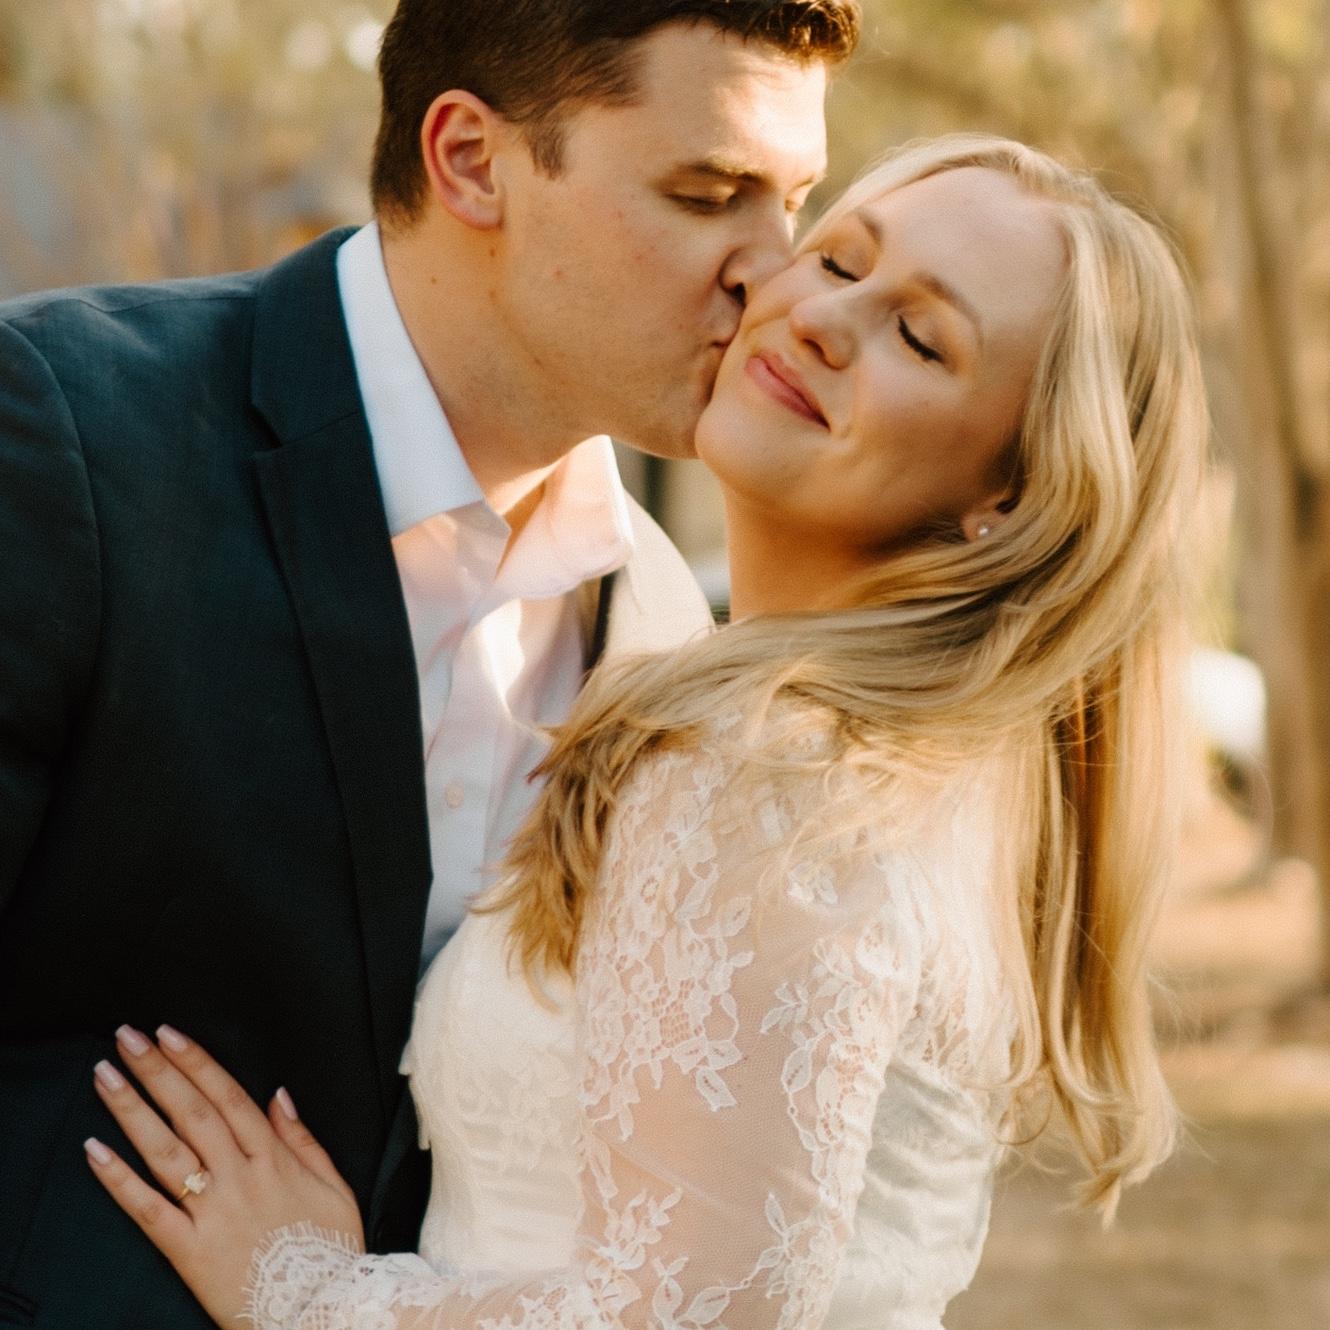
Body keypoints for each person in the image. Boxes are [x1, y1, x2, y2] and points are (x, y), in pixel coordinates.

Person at [83, 135, 1207, 1330]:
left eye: (920, 338)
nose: (825, 320)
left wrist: (302, 1289)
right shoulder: (930, 764)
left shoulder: (770, 765)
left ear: (1011, 497)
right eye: (838, 260)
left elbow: (689, 1314)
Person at [0, 3, 858, 1326]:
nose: (776, 276)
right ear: (470, 160)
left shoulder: (655, 620)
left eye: (792, 204)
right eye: (707, 195)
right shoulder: (64, 432)